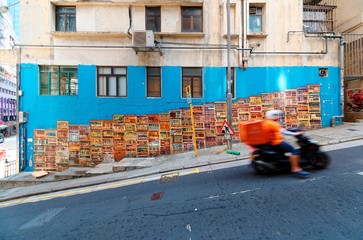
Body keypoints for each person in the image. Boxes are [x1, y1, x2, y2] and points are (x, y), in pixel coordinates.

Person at [264, 110, 310, 177]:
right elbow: (283, 131)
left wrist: (290, 130)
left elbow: (279, 130)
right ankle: (295, 168)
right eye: (276, 115)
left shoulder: (267, 122)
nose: (278, 117)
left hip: (272, 141)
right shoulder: (272, 124)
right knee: (294, 151)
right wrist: (295, 133)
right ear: (272, 116)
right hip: (277, 142)